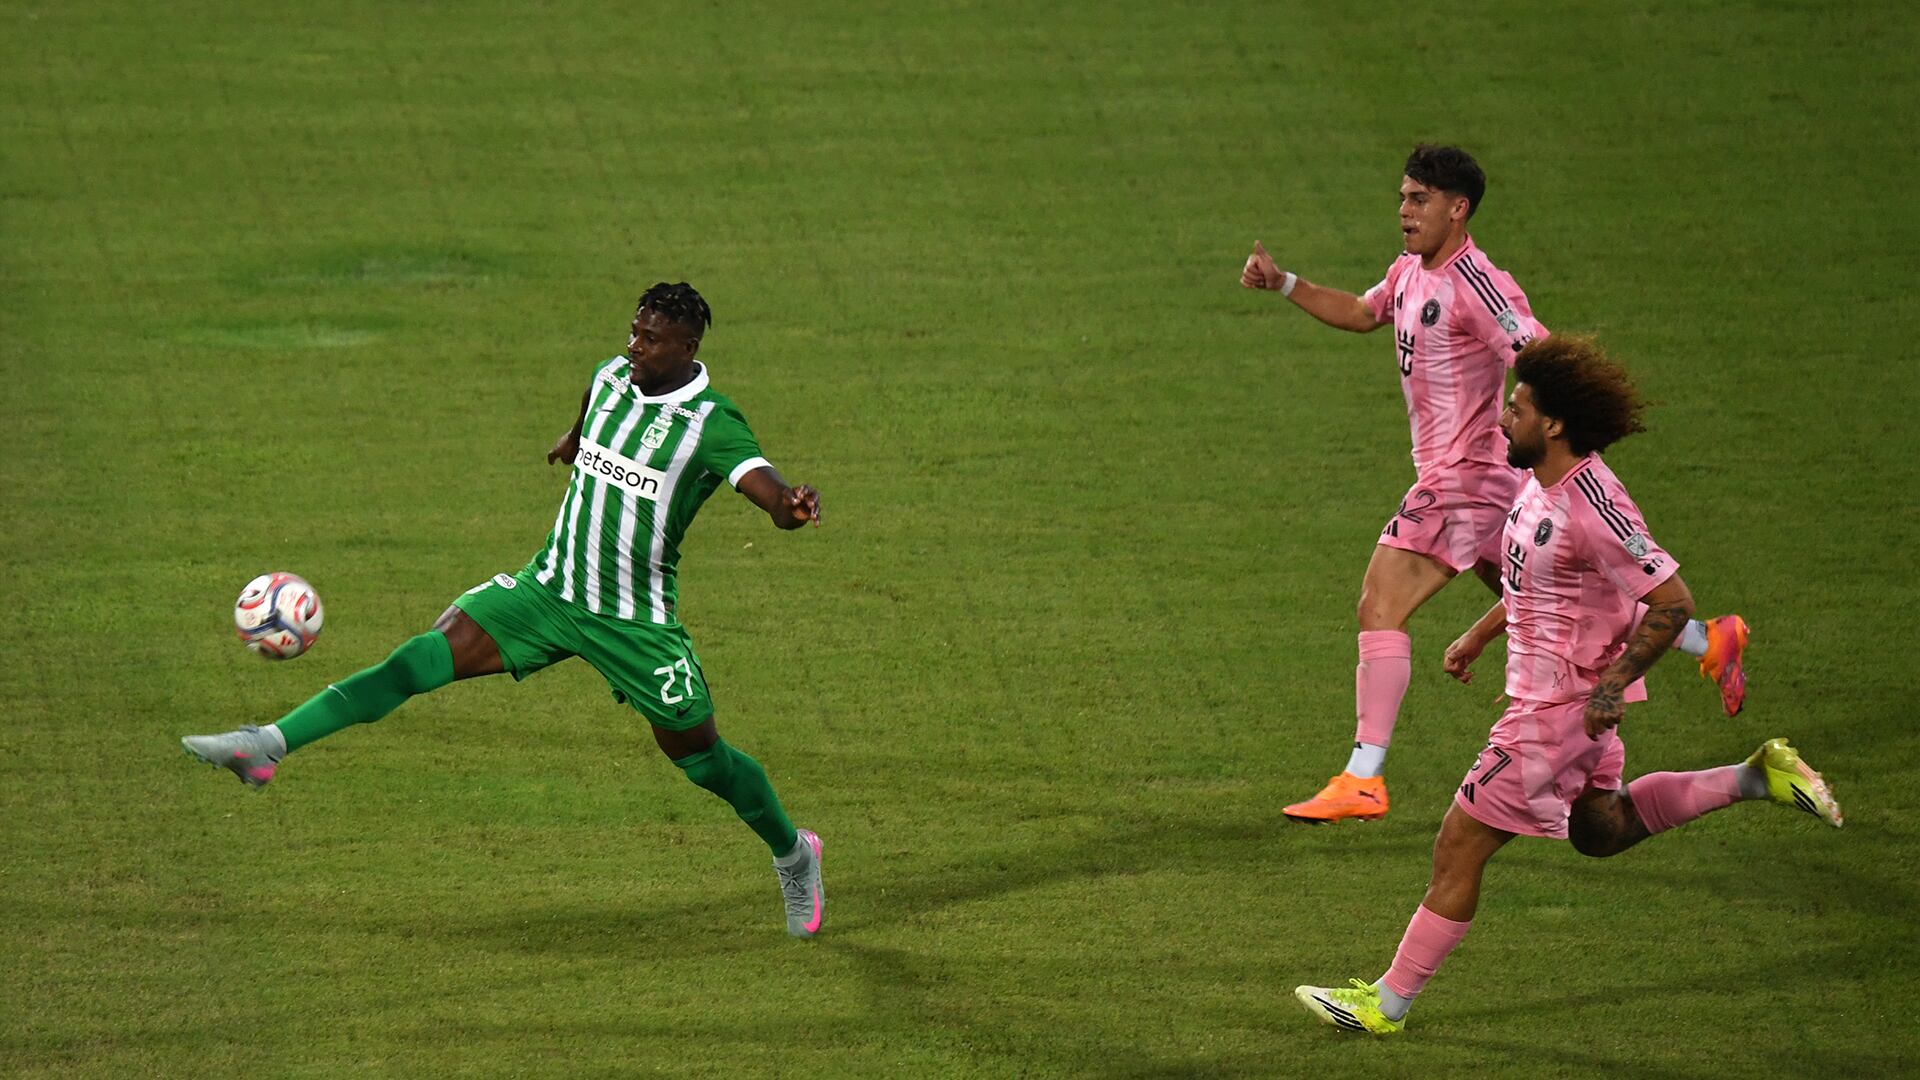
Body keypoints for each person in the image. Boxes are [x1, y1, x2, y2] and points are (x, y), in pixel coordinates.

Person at [183, 282, 830, 939]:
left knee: (703, 759)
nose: (632, 346)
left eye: (650, 339)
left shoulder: (711, 423)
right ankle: (264, 746)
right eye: (632, 332)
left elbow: (769, 494)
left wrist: (793, 507)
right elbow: (591, 408)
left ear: (687, 348)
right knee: (414, 661)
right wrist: (574, 440)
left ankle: (794, 853)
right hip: (546, 591)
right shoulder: (611, 377)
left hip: (634, 622)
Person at [1292, 336, 1841, 1035]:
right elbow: (1535, 578)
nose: (1503, 417)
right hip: (1556, 703)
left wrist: (1609, 689)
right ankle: (1757, 777)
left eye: (1516, 407)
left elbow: (1671, 602)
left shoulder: (1595, 506)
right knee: (1600, 830)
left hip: (1557, 713)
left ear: (1552, 424)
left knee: (1458, 846)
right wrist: (1481, 633)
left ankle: (1386, 1005)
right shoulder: (1538, 483)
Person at [1240, 144, 1749, 824]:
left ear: (1459, 208)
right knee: (1530, 594)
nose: (1404, 211)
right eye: (1401, 197)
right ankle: (1709, 639)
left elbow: (1536, 355)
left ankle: (1364, 775)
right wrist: (1284, 283)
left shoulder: (1479, 285)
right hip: (1467, 481)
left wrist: (1564, 440)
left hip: (1467, 477)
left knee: (1379, 604)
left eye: (1418, 200)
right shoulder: (1409, 274)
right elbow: (1363, 314)